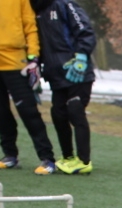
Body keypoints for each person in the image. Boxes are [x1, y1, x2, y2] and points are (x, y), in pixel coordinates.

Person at [0, 0, 58, 174]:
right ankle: (10, 155)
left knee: (28, 111)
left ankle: (47, 158)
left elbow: (30, 25)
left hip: (15, 62)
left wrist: (33, 58)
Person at [31, 0, 97, 175]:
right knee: (58, 114)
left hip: (77, 71)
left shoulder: (64, 4)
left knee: (75, 110)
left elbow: (85, 31)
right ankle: (68, 157)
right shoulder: (33, 10)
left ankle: (84, 161)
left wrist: (82, 56)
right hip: (56, 74)